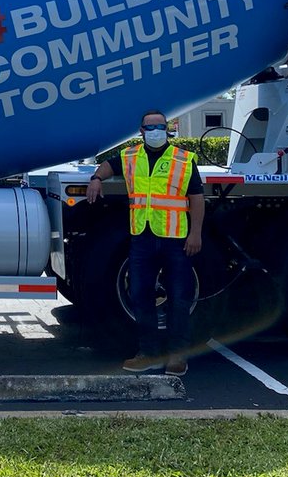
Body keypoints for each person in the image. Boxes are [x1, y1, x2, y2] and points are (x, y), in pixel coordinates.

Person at [86, 110, 205, 376]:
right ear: (141, 131)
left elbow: (197, 198)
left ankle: (177, 355)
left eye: (159, 127)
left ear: (167, 129)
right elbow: (108, 166)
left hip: (175, 239)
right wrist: (96, 179)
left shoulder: (183, 159)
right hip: (143, 237)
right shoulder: (130, 156)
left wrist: (195, 233)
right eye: (149, 128)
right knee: (140, 296)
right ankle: (148, 353)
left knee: (179, 298)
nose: (155, 132)